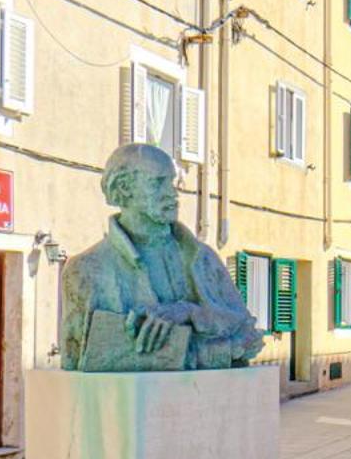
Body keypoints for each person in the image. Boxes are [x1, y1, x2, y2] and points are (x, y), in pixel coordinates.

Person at [60, 143, 265, 370]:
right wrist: (221, 350)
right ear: (124, 187)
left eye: (171, 182)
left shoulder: (202, 258)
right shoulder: (87, 270)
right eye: (157, 183)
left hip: (210, 400)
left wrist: (189, 312)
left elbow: (248, 336)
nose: (172, 193)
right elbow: (87, 357)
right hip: (129, 403)